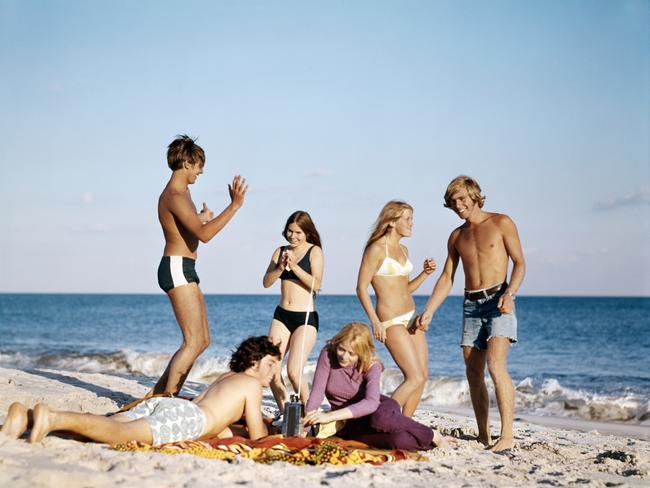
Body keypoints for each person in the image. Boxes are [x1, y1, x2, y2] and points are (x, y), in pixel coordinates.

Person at [1, 336, 281, 445]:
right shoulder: (252, 385)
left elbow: (221, 418)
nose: (273, 373)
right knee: (119, 436)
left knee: (103, 428)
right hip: (188, 418)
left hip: (173, 407)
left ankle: (25, 418)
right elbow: (258, 435)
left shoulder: (226, 376)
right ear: (254, 362)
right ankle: (51, 417)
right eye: (270, 364)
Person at [416, 175, 525, 452]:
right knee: (472, 371)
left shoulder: (501, 222)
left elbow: (520, 263)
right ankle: (483, 435)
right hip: (471, 305)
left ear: (475, 196)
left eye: (462, 199)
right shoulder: (456, 236)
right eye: (453, 202)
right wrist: (429, 310)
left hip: (499, 299)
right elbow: (446, 277)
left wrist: (510, 294)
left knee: (496, 365)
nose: (458, 205)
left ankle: (507, 436)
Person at [152, 135, 248, 396]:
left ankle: (159, 395)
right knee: (193, 341)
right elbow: (204, 236)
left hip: (184, 267)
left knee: (202, 340)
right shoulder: (175, 195)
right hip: (176, 266)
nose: (201, 171)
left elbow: (188, 227)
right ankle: (167, 400)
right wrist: (234, 206)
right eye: (198, 166)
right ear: (186, 162)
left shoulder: (183, 194)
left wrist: (200, 218)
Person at [303, 322, 445, 450]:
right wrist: (305, 427)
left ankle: (431, 434)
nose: (344, 356)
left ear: (361, 352)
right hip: (354, 423)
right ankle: (424, 437)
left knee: (380, 419)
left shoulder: (372, 365)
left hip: (380, 409)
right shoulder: (328, 354)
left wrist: (329, 416)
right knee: (397, 441)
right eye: (341, 349)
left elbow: (371, 403)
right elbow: (317, 393)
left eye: (351, 353)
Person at [356, 201, 436, 417]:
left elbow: (405, 289)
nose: (412, 223)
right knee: (414, 376)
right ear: (391, 222)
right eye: (407, 219)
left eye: (412, 218)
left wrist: (425, 274)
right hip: (390, 320)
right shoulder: (375, 249)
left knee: (423, 376)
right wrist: (375, 321)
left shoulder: (403, 249)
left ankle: (404, 422)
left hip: (411, 318)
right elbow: (361, 287)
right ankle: (382, 418)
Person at [262, 211, 323, 412]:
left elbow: (316, 284)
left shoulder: (314, 251)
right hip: (282, 315)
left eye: (298, 232)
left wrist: (294, 267)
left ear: (307, 233)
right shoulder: (279, 251)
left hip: (305, 318)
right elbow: (266, 282)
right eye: (290, 231)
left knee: (294, 372)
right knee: (271, 368)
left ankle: (310, 412)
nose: (293, 236)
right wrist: (280, 267)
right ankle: (284, 411)